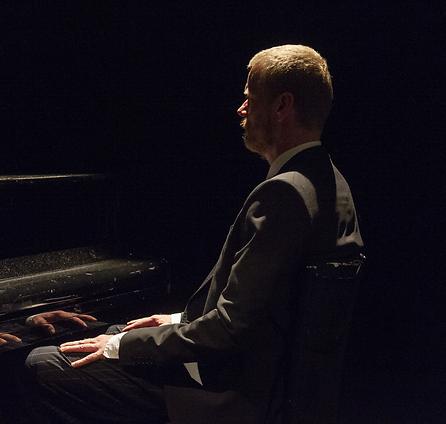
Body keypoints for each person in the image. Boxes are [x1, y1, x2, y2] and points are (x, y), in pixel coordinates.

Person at [23, 44, 364, 424]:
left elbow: (230, 331)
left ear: (282, 106)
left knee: (44, 364)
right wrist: (176, 320)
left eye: (251, 99)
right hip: (273, 383)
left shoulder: (283, 194)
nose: (242, 109)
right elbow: (265, 311)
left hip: (234, 395)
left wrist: (120, 346)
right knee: (115, 334)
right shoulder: (332, 184)